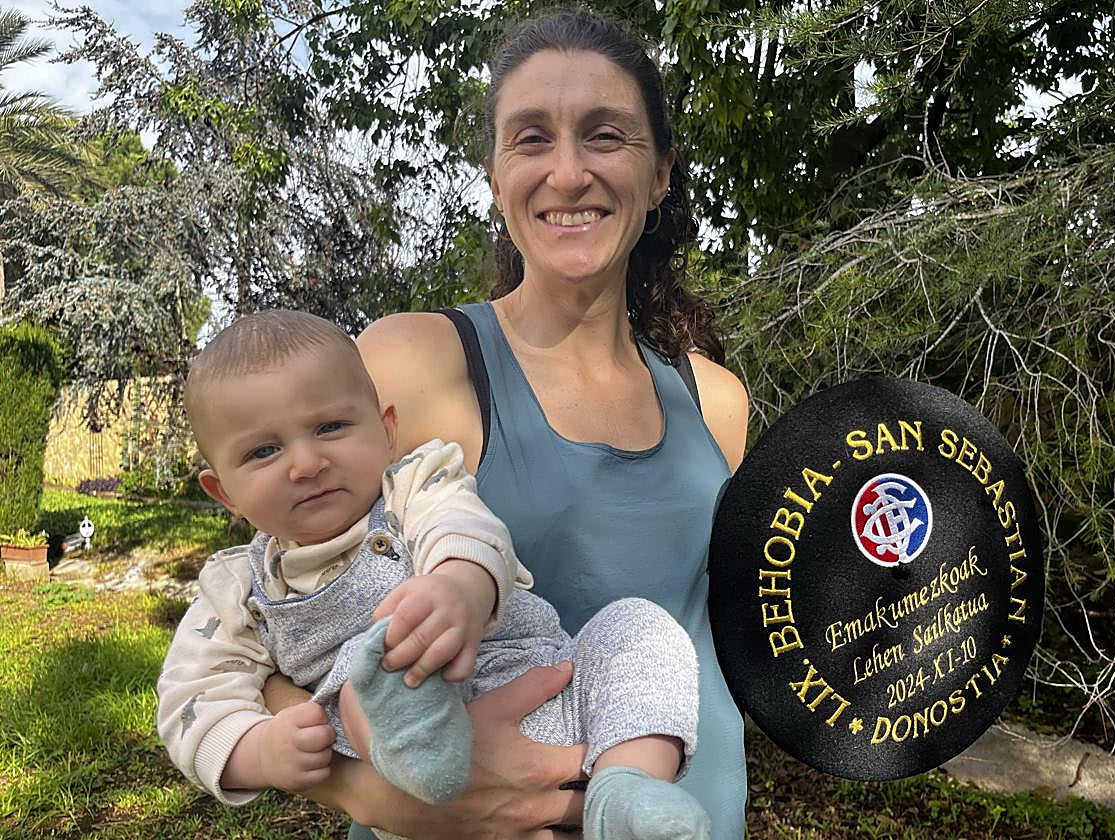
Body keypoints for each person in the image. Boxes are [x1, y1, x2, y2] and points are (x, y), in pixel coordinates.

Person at [268, 9, 751, 838]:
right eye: (532, 139)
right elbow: (261, 631)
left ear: (660, 175)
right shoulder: (416, 364)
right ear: (495, 179)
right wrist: (398, 803)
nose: (568, 173)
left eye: (605, 136)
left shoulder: (717, 402)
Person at [157, 309, 712, 840]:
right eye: (263, 451)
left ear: (386, 431)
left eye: (330, 426)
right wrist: (260, 751)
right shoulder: (237, 589)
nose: (306, 464)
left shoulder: (416, 489)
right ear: (224, 492)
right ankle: (420, 740)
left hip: (564, 698)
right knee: (373, 656)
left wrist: (459, 587)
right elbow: (192, 700)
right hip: (422, 789)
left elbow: (464, 527)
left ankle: (626, 789)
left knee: (637, 624)